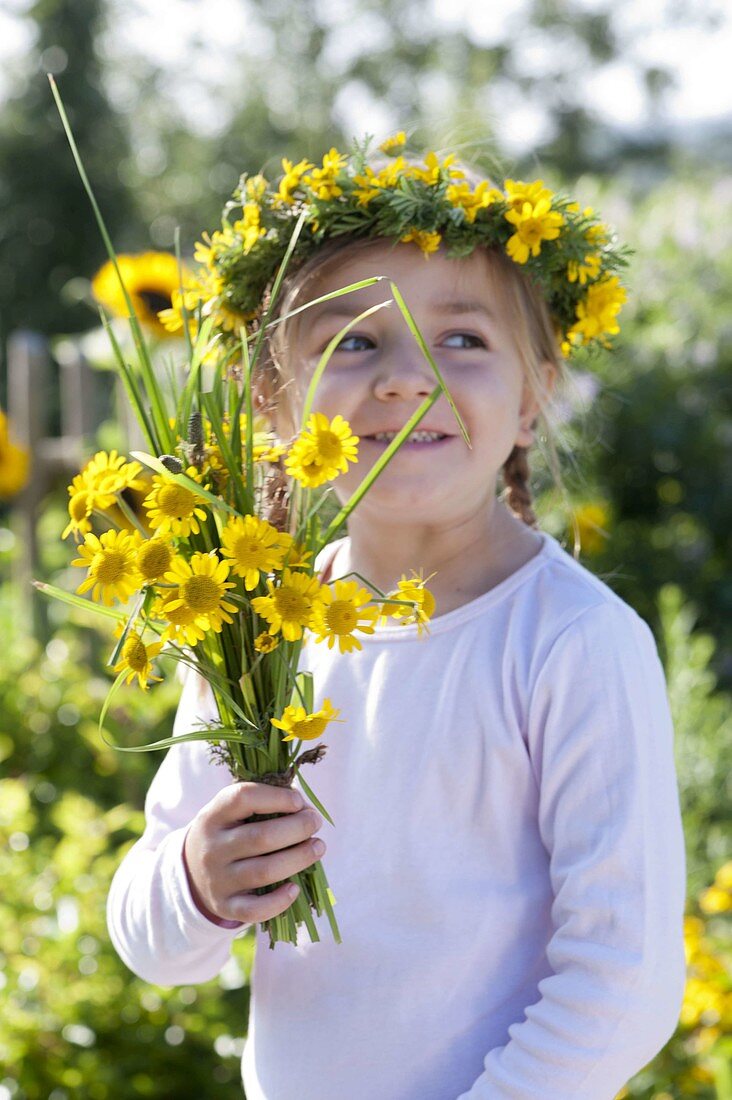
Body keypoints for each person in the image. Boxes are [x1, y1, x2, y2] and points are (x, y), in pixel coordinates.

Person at [107, 140, 687, 1100]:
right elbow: (154, 942)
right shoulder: (253, 637)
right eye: (353, 342)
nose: (405, 377)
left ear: (535, 392)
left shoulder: (571, 643)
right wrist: (199, 885)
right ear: (272, 395)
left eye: (462, 340)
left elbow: (623, 980)